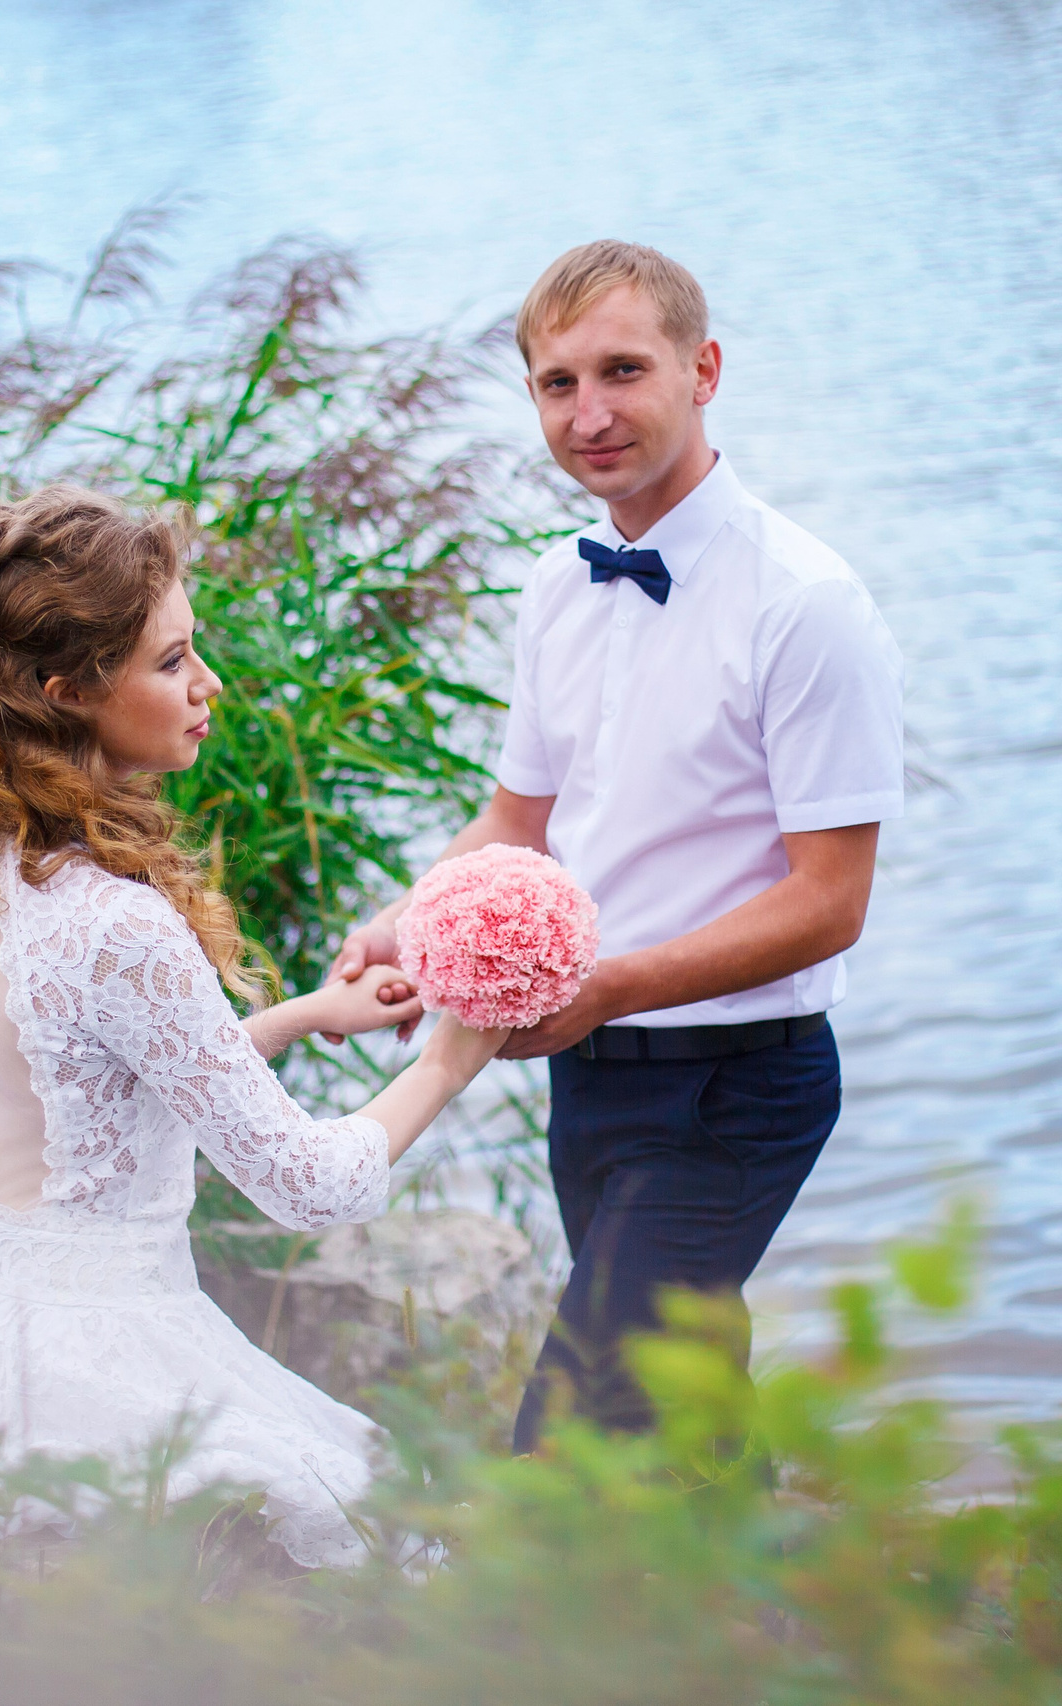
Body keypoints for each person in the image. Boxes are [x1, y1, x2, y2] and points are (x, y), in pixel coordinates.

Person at [328, 241, 904, 1451]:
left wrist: (606, 988)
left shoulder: (806, 602)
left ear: (702, 370)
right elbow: (514, 823)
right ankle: (749, 1621)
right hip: (588, 1074)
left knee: (581, 1418)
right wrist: (406, 927)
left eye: (623, 371)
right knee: (680, 1401)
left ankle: (526, 1615)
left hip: (740, 1080)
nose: (589, 415)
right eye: (555, 383)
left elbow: (830, 902)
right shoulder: (553, 587)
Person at [0, 485, 507, 1568]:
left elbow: (82, 1093)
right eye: (170, 662)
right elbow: (310, 1182)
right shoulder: (118, 921)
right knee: (376, 1538)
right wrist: (452, 1056)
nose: (207, 685)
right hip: (95, 1356)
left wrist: (304, 1014)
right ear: (65, 689)